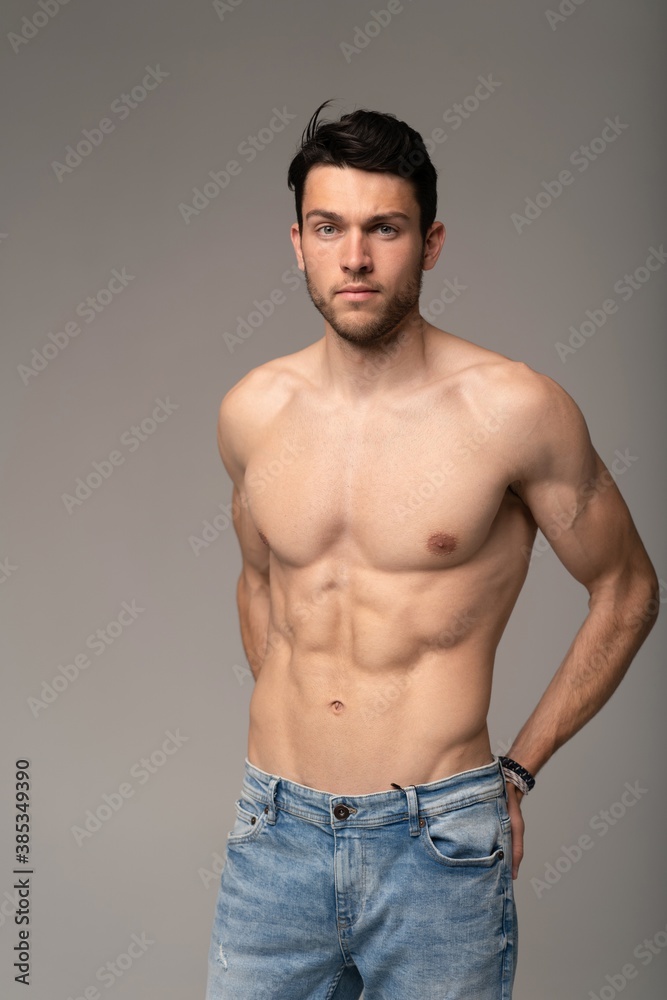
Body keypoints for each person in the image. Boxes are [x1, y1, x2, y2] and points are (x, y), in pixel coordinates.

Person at [204, 100, 659, 1000]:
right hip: (275, 837)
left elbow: (627, 589)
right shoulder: (253, 411)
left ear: (431, 242)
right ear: (297, 242)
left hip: (436, 844)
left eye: (386, 229)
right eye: (330, 228)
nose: (357, 258)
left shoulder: (512, 410)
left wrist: (518, 768)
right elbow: (261, 586)